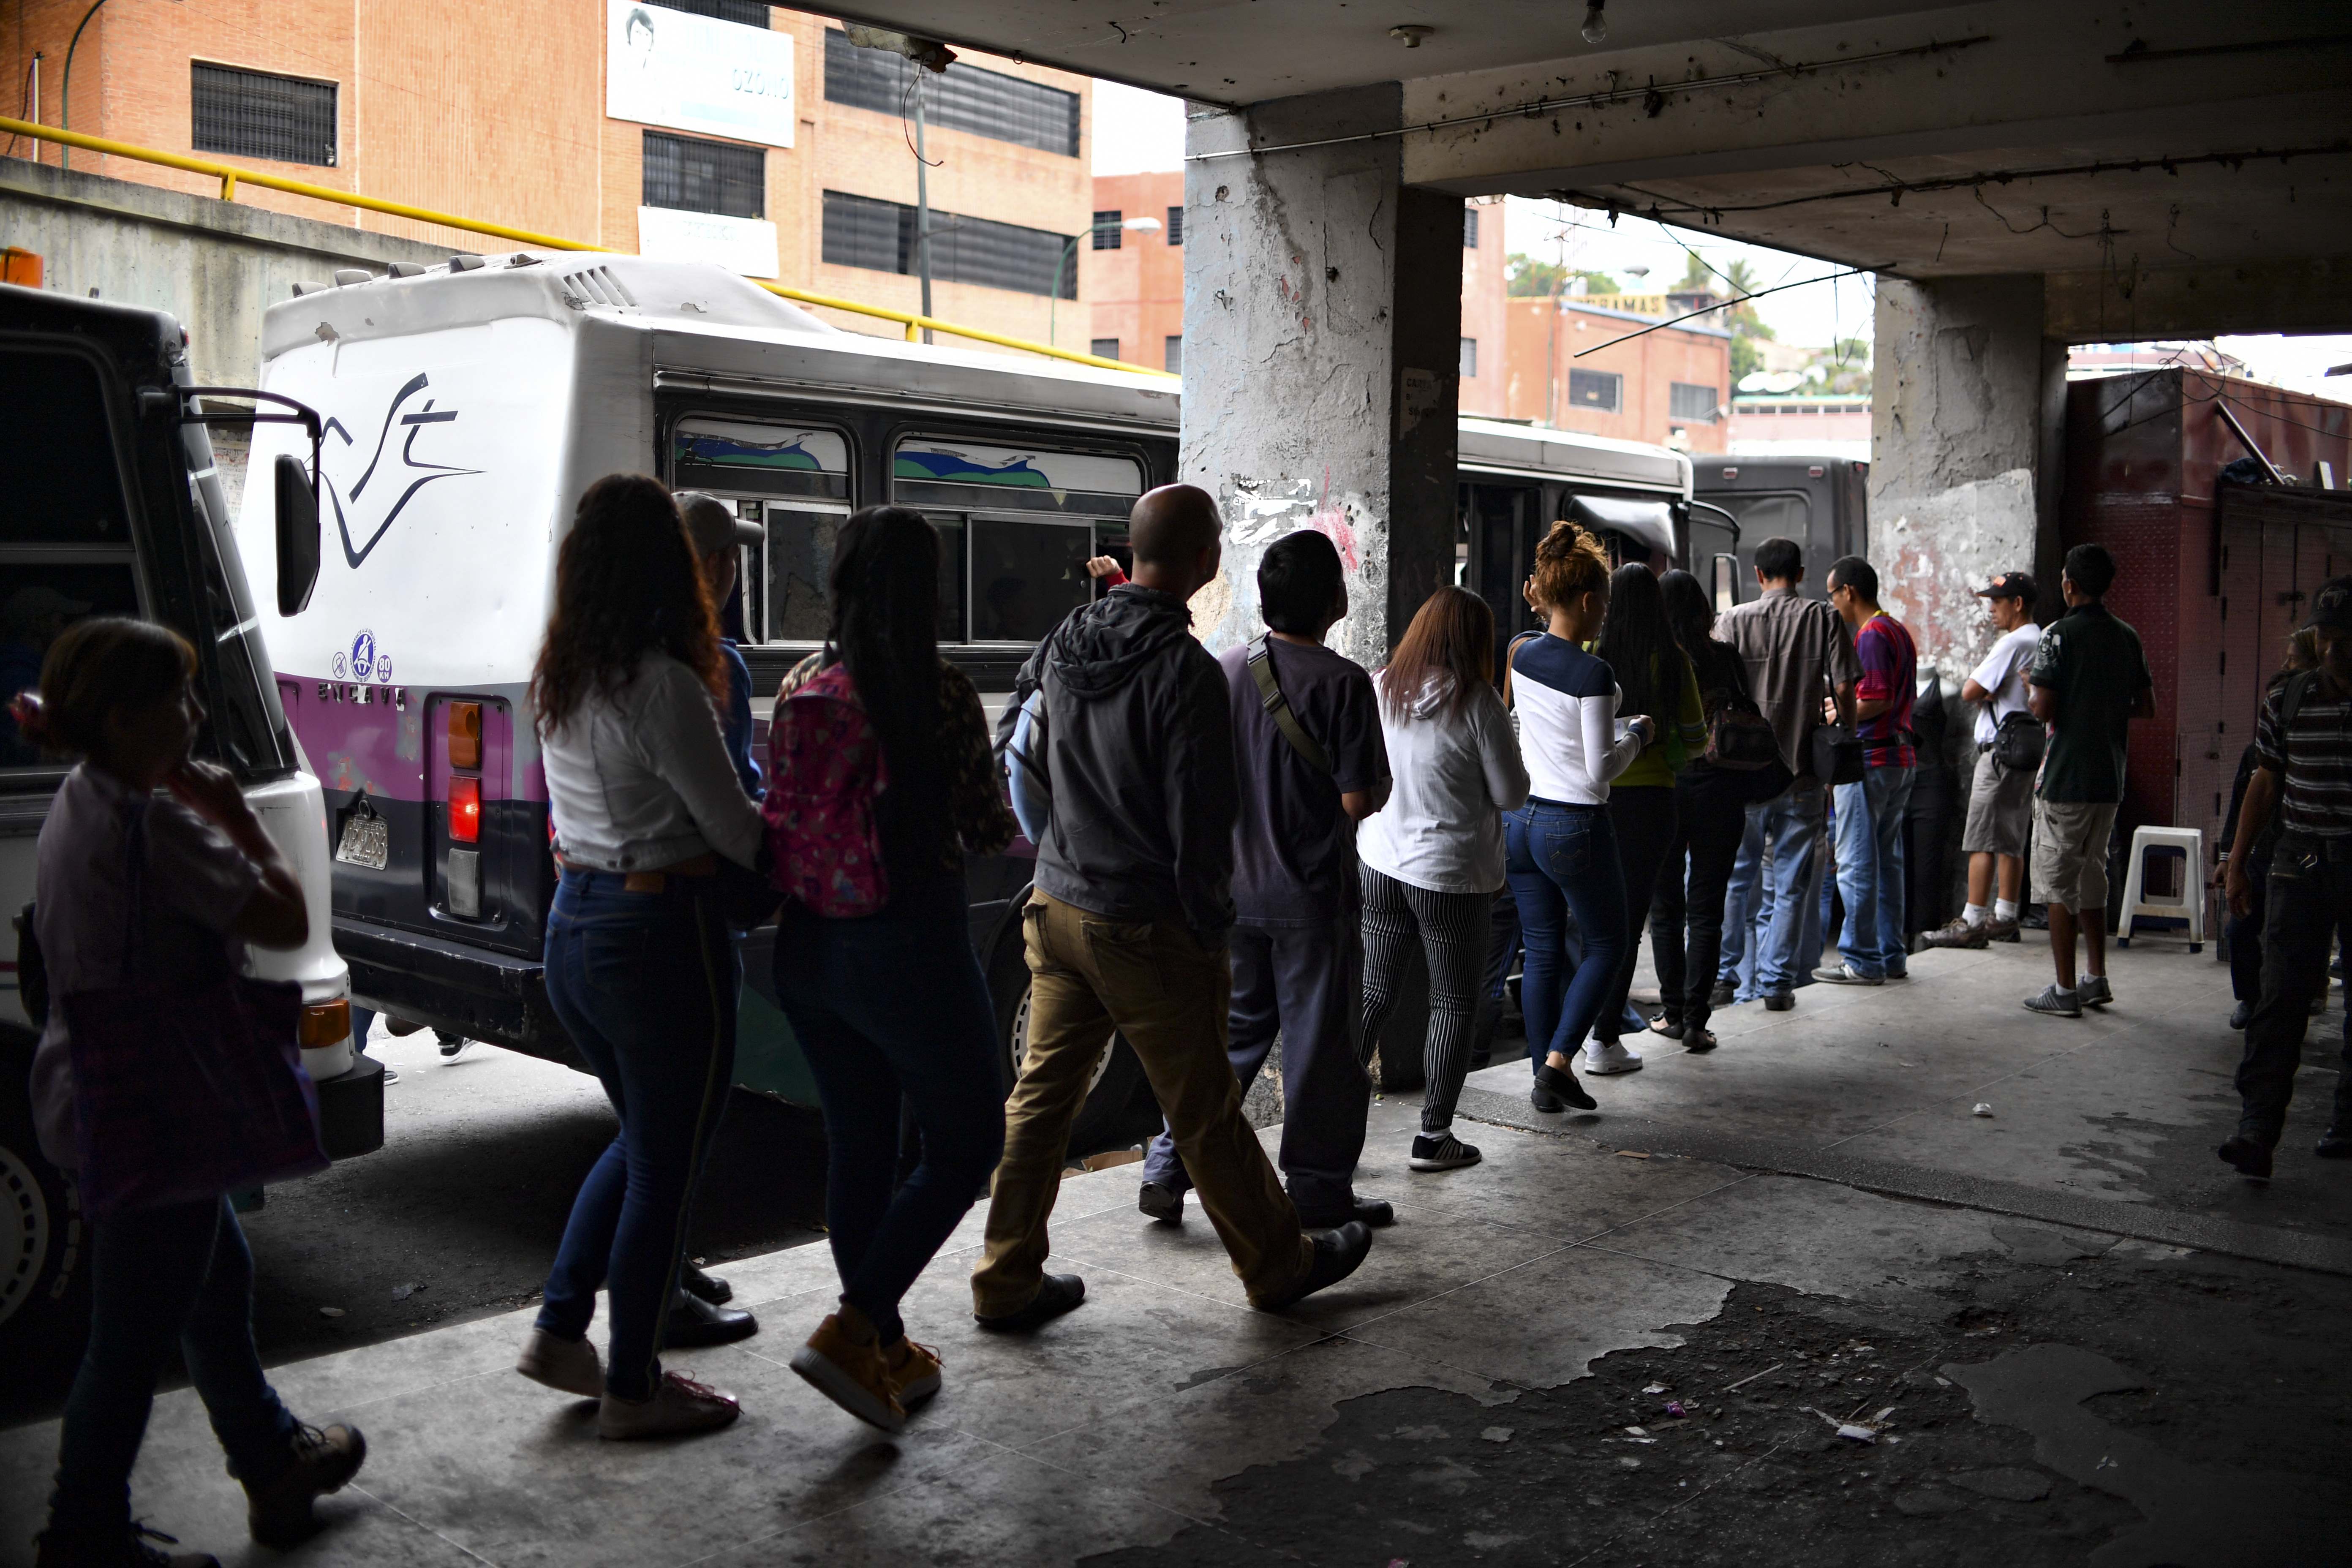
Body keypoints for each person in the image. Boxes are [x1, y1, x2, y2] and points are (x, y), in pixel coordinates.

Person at [975, 484, 1374, 1326]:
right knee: (1205, 1109)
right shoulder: (1182, 670)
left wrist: (1057, 850)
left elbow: (1024, 755)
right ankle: (1277, 1263)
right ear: (1204, 559)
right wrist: (1205, 928)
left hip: (1057, 903)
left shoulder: (1066, 638)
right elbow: (1203, 822)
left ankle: (1005, 1275)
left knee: (1042, 1099)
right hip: (1142, 921)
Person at [26, 618, 366, 1568]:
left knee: (214, 1282)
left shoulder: (80, 801)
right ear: (125, 718)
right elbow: (284, 912)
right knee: (129, 1336)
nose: (193, 715)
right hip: (157, 1108)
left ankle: (270, 1456)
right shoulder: (156, 823)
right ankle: (82, 1530)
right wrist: (238, 816)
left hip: (106, 1089)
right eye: (175, 699)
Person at [515, 474, 765, 1439]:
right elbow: (735, 831)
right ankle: (631, 1383)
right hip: (663, 940)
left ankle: (560, 1330)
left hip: (577, 929)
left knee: (640, 1145)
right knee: (666, 1162)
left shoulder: (565, 671)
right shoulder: (663, 682)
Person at [768, 507, 1016, 1430]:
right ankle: (855, 1325)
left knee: (860, 1145)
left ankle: (883, 1345)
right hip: (907, 943)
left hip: (810, 948)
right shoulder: (937, 689)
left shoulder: (804, 680)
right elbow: (988, 828)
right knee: (964, 1145)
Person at [1139, 530, 1393, 1228]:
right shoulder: (1343, 683)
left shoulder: (1222, 669)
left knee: (1229, 1042)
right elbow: (1358, 799)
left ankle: (1166, 1165)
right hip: (1311, 900)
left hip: (1233, 893)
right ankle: (1314, 1189)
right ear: (1334, 599)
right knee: (1320, 1049)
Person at [1357, 585, 1530, 1171]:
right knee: (1452, 1002)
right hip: (1451, 875)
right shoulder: (1479, 702)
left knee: (1373, 994)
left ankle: (1328, 1122)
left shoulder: (1382, 686)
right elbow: (1511, 794)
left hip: (1380, 861)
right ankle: (1434, 1137)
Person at [1506, 523, 1655, 1114]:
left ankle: (1544, 1078)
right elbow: (1599, 772)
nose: (1606, 617)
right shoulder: (1593, 675)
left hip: (1521, 823)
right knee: (1609, 944)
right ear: (1590, 601)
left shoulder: (1520, 651)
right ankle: (1560, 1062)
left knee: (1541, 950)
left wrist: (1546, 606)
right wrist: (1638, 735)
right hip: (1574, 824)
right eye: (1605, 605)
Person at [2220, 579, 2352, 1178]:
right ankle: (2257, 1130)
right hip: (2298, 862)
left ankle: (2347, 1124)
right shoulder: (2290, 700)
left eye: (2346, 640)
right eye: (2327, 638)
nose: (2335, 652)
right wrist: (2240, 862)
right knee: (2280, 998)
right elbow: (2265, 783)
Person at [1714, 537, 1859, 1011]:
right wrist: (1847, 731)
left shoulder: (1732, 620)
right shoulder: (1823, 617)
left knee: (1737, 879)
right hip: (1802, 773)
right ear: (1799, 574)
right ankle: (1777, 983)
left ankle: (1725, 974)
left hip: (1742, 774)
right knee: (1793, 884)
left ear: (1758, 575)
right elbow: (1842, 685)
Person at [2021, 543, 2154, 1018]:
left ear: (2069, 585)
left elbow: (2043, 707)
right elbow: (2146, 705)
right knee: (2094, 877)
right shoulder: (2127, 636)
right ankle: (2096, 977)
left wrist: (2030, 688)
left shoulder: (2058, 635)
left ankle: (2063, 989)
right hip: (2108, 776)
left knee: (2059, 885)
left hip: (2065, 776)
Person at [1587, 563, 1705, 1073]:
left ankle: (1571, 1040)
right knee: (1631, 923)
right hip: (1653, 803)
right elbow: (1698, 738)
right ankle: (1604, 1038)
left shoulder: (1593, 657)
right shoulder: (1676, 662)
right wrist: (1666, 747)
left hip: (1596, 800)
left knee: (1591, 923)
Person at [1648, 569, 1766, 1054]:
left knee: (1666, 908)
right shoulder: (1726, 656)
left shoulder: (1656, 660)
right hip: (1722, 789)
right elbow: (1748, 709)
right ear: (1702, 610)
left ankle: (1672, 1012)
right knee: (1708, 909)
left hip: (1667, 789)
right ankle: (1697, 1021)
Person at [1922, 572, 2040, 949]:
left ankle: (1971, 921)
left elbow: (1972, 689)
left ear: (2017, 604)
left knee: (1981, 838)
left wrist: (1986, 692)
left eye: (1997, 601)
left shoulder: (2013, 642)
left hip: (2000, 753)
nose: (1991, 609)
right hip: (2025, 750)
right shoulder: (2040, 639)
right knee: (2011, 837)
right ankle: (2006, 916)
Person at [1814, 556, 1918, 986]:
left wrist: (1839, 711)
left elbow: (1875, 698)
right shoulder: (1896, 628)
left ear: (1849, 593)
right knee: (1887, 862)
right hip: (1900, 761)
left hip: (1870, 762)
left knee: (1857, 862)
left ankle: (1860, 958)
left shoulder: (1871, 634)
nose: (1832, 603)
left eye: (1832, 594)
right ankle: (1891, 954)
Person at [2219, 632, 2323, 1029]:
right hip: (2263, 855)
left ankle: (2306, 994)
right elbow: (2242, 806)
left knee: (2295, 938)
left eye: (2293, 660)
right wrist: (2231, 859)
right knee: (2242, 927)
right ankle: (2249, 997)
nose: (2285, 667)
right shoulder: (2255, 755)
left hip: (2303, 855)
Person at [675, 491, 767, 798]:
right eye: (733, 558)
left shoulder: (594, 654)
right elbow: (737, 792)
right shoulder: (714, 663)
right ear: (714, 566)